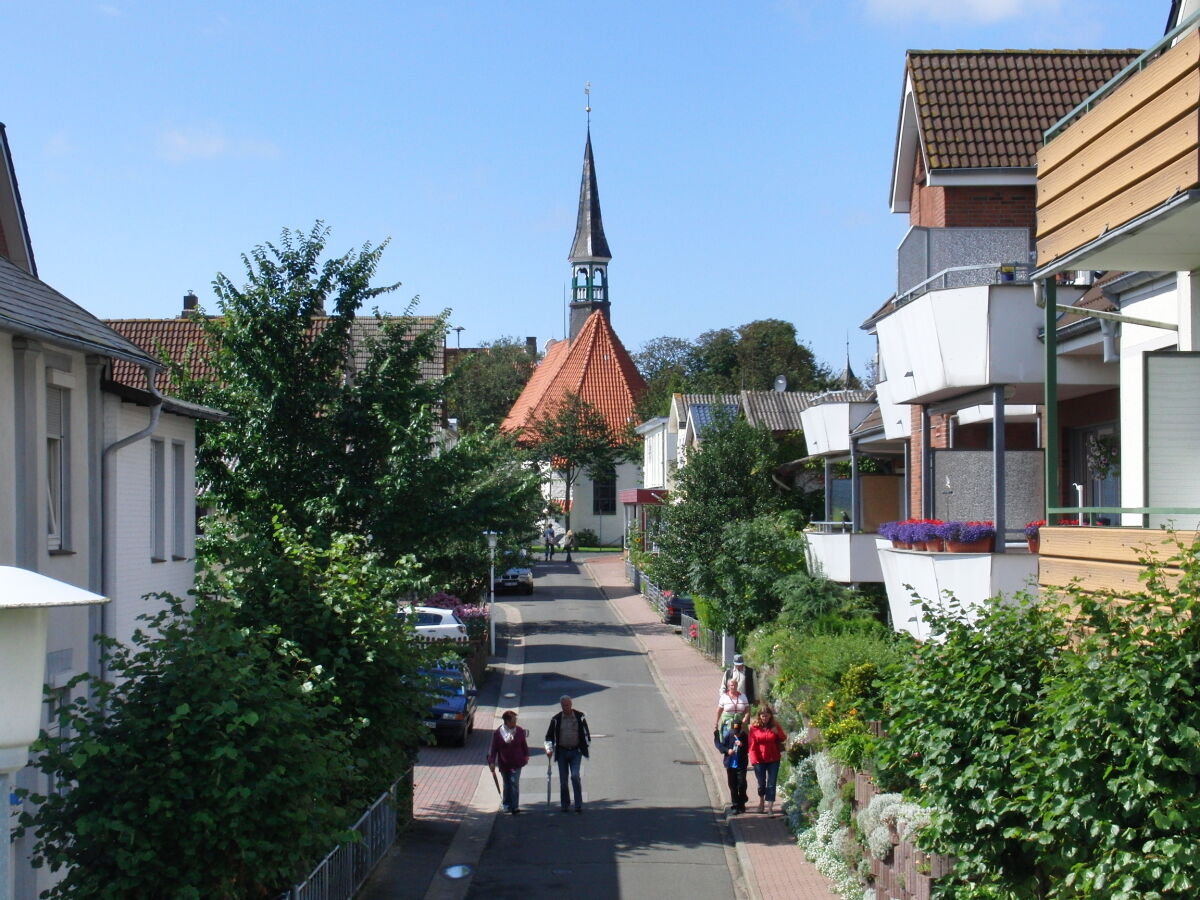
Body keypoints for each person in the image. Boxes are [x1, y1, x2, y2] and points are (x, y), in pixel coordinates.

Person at [544, 695, 590, 812]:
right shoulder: (556, 719)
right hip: (562, 752)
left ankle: (578, 804)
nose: (566, 707)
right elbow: (549, 736)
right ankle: (565, 804)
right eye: (564, 705)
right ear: (561, 706)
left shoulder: (580, 717)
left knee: (575, 776)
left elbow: (586, 734)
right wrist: (549, 749)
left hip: (576, 752)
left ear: (571, 704)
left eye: (568, 705)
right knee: (563, 780)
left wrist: (584, 747)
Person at [488, 710, 531, 815]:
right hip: (504, 763)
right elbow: (494, 749)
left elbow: (524, 745)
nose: (515, 722)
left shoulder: (519, 731)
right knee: (507, 784)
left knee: (514, 783)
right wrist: (492, 762)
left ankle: (514, 806)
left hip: (516, 763)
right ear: (507, 721)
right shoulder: (498, 733)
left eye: (516, 720)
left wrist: (526, 756)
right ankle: (506, 804)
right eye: (513, 720)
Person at [748, 705, 788, 815]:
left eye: (766, 716)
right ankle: (761, 802)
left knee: (771, 783)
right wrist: (754, 760)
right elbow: (751, 745)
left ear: (770, 716)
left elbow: (783, 738)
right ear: (759, 716)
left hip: (773, 758)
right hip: (759, 759)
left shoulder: (775, 726)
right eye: (762, 716)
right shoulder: (754, 728)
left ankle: (770, 808)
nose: (765, 718)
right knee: (761, 783)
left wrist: (777, 732)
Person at [713, 718, 749, 814]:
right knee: (732, 785)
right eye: (735, 731)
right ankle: (735, 805)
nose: (736, 734)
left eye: (738, 732)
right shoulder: (729, 734)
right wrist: (727, 751)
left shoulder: (744, 736)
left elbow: (748, 748)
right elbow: (720, 746)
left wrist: (742, 745)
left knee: (741, 783)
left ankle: (742, 803)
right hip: (731, 764)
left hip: (741, 764)